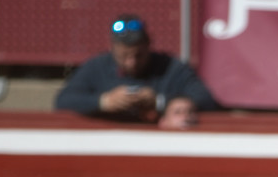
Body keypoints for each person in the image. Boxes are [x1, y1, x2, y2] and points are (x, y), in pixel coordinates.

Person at [54, 14, 219, 123]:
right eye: (124, 56)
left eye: (138, 55)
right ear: (112, 49)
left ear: (148, 46)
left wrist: (160, 101)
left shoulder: (170, 67)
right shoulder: (97, 67)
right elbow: (63, 101)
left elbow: (207, 99)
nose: (131, 62)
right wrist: (104, 102)